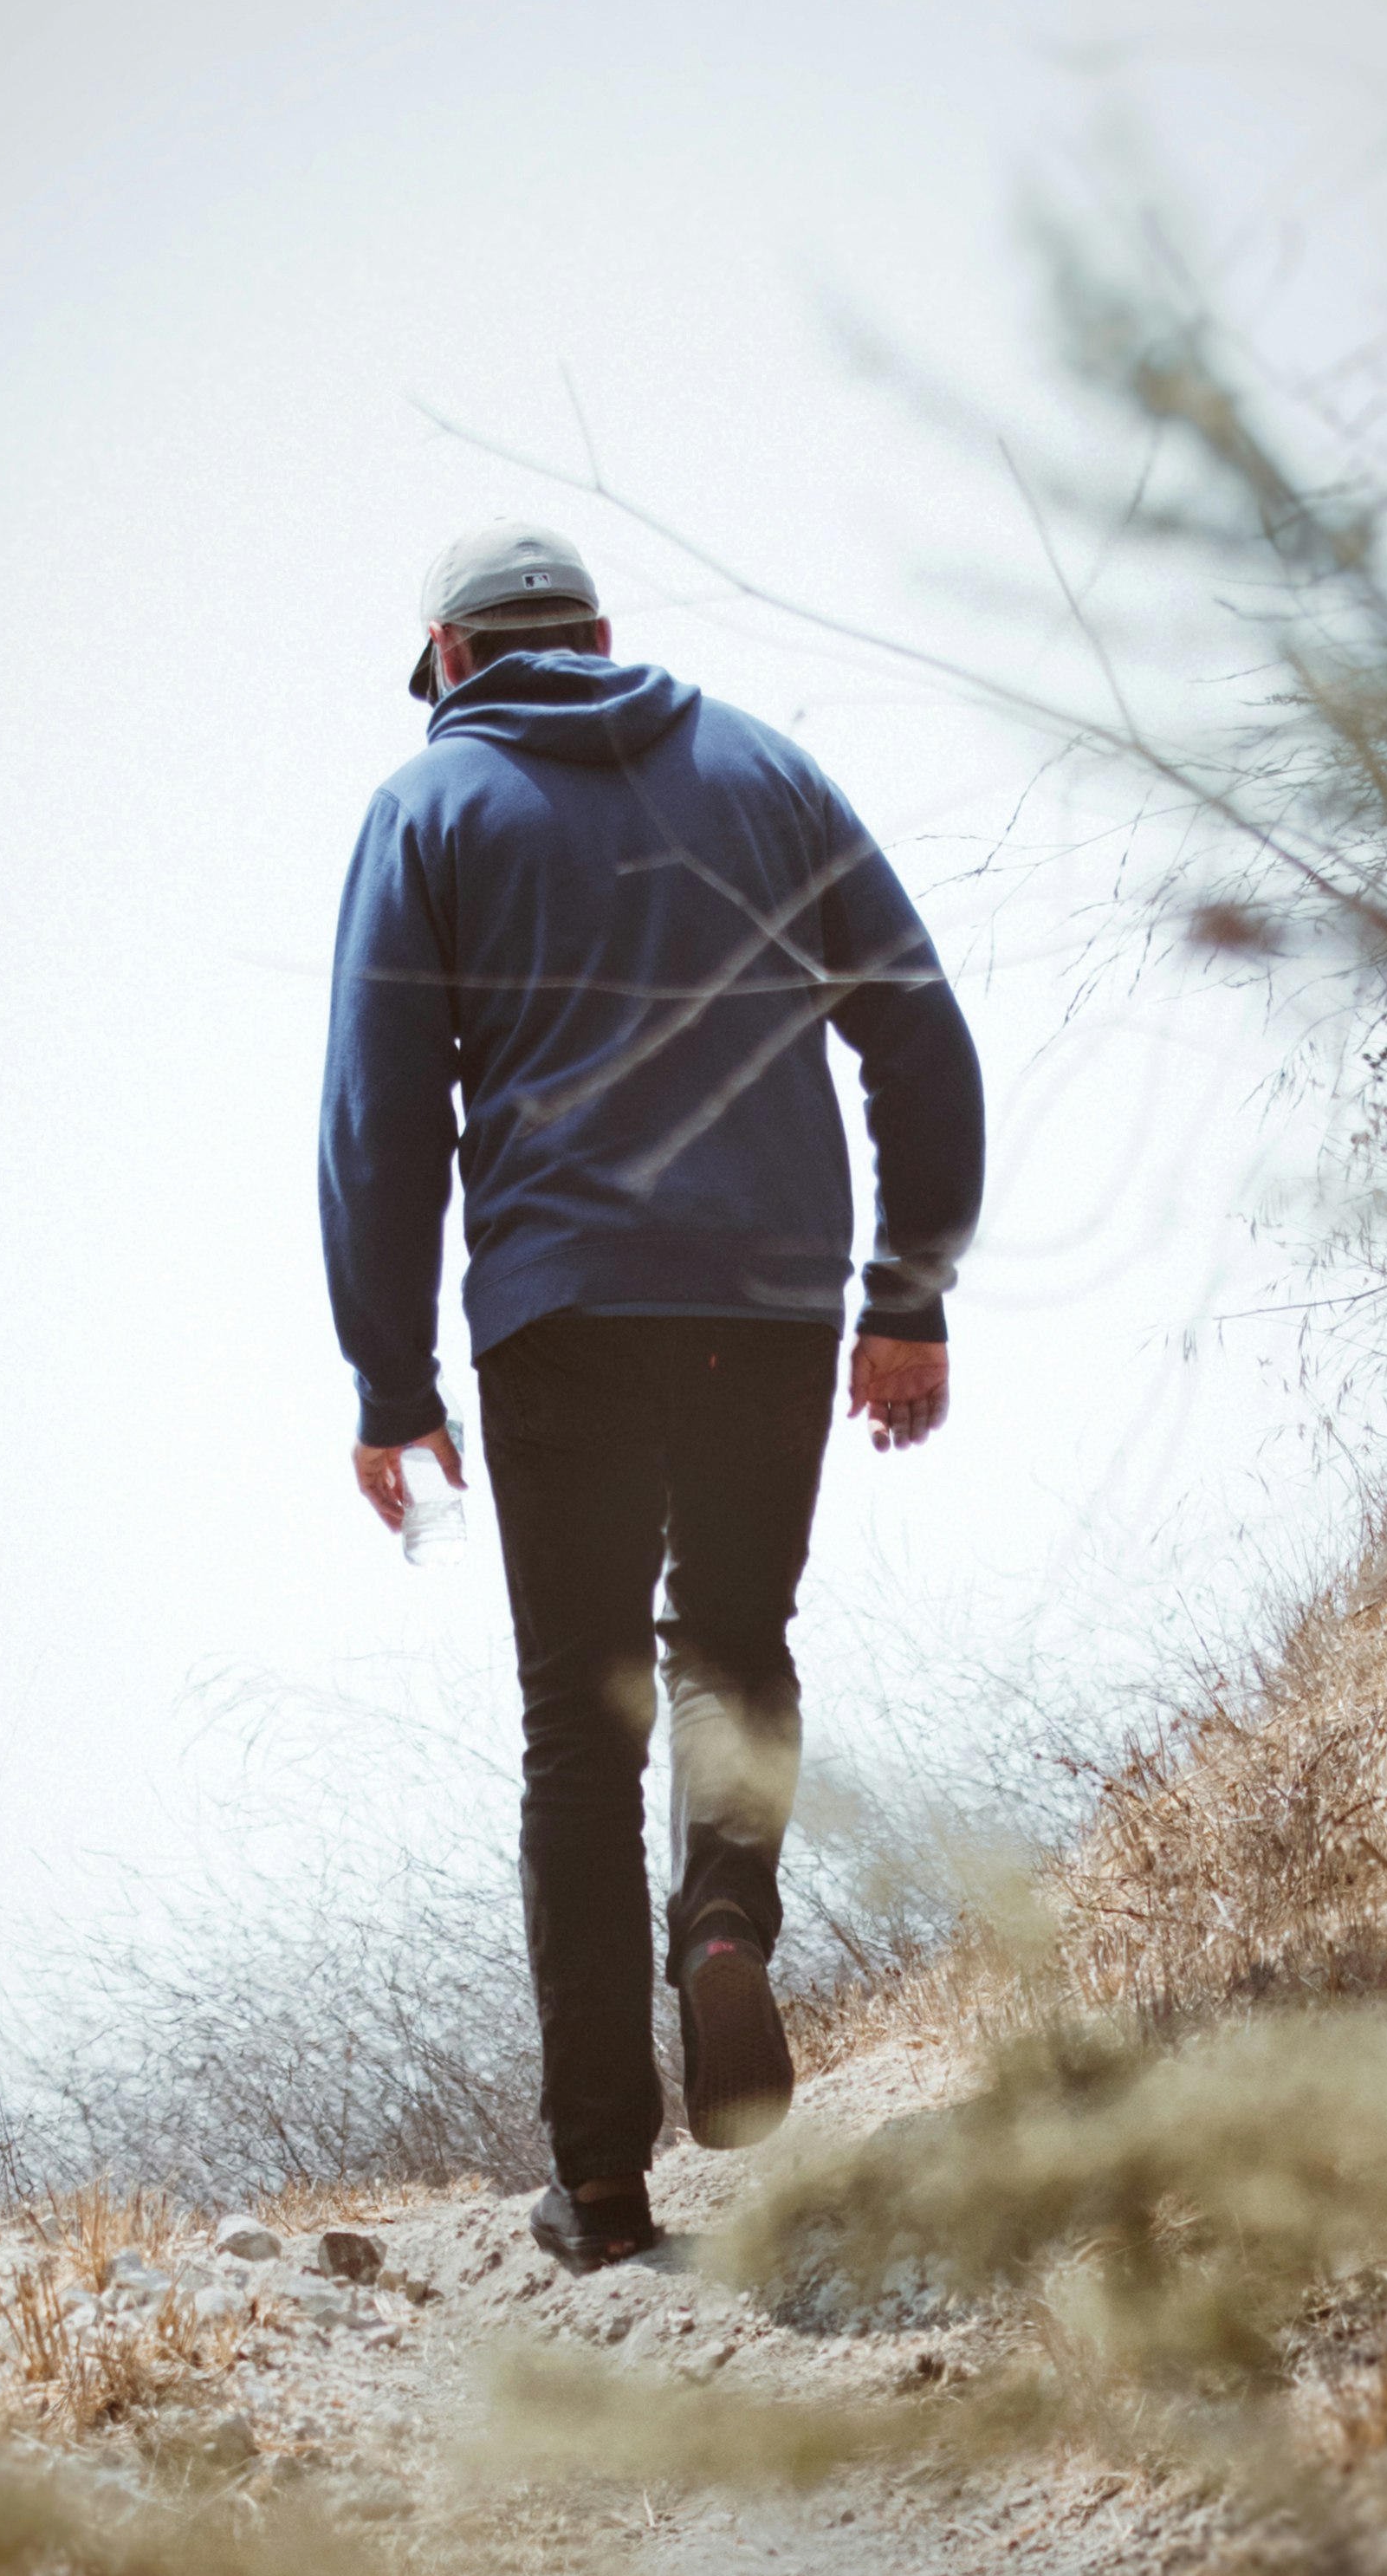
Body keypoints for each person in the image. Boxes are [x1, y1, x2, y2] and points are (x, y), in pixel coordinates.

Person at [318, 520, 985, 2270]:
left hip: (558, 1313)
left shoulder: (427, 812)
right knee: (736, 1644)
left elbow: (378, 1123)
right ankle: (724, 1926)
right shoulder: (762, 770)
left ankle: (602, 2189)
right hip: (767, 1305)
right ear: (604, 634)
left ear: (449, 664)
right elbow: (914, 1025)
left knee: (575, 1733)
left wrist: (389, 1381)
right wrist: (903, 1295)